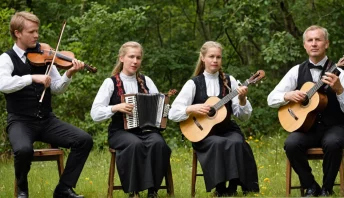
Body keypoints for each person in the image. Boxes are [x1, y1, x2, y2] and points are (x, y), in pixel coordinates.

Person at [0, 11, 93, 198]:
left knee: (84, 140)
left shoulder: (44, 54)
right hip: (20, 121)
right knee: (23, 150)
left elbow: (57, 88)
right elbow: (3, 85)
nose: (36, 35)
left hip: (46, 120)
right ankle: (22, 190)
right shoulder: (6, 59)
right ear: (18, 33)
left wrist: (69, 73)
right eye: (31, 31)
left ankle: (63, 189)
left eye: (37, 31)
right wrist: (31, 77)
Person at [267, 25, 344, 196]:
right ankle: (311, 186)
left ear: (326, 44)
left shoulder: (341, 72)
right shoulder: (296, 71)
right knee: (291, 144)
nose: (314, 44)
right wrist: (288, 95)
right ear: (305, 45)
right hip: (307, 128)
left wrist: (339, 90)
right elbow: (271, 99)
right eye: (310, 40)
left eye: (318, 40)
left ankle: (327, 189)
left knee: (333, 143)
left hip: (334, 127)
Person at [168, 41, 259, 196]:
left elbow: (243, 116)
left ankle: (233, 187)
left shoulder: (230, 81)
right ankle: (220, 188)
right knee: (219, 143)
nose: (215, 60)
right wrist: (192, 108)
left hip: (227, 129)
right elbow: (173, 113)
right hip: (203, 133)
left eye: (218, 57)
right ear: (203, 58)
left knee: (237, 142)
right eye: (211, 56)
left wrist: (242, 99)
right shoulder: (193, 83)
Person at [90, 41, 171, 198]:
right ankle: (134, 191)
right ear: (122, 58)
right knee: (134, 144)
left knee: (159, 143)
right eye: (131, 57)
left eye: (138, 58)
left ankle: (152, 190)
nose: (135, 61)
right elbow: (95, 113)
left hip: (146, 130)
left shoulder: (146, 81)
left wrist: (166, 110)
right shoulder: (110, 83)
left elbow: (160, 105)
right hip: (120, 131)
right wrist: (115, 107)